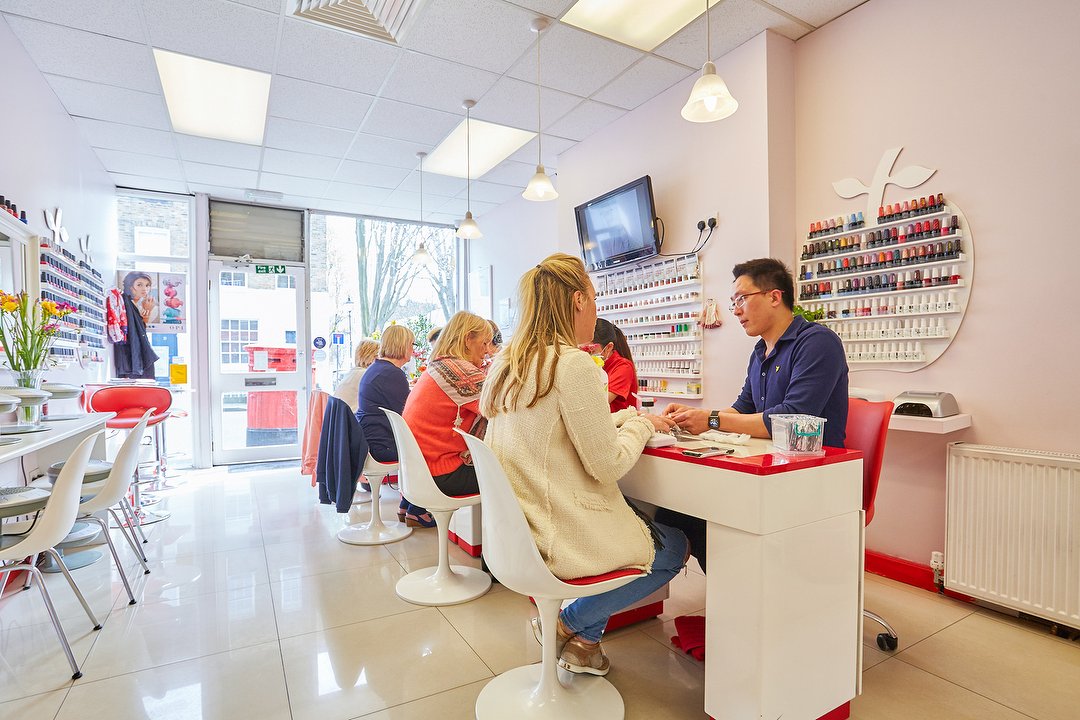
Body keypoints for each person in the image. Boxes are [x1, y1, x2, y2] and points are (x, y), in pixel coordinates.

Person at [480, 252, 685, 677]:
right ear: (577, 301)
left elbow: (559, 432)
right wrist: (644, 427)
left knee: (635, 525)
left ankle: (586, 647)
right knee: (673, 548)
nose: (597, 310)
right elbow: (608, 465)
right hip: (555, 534)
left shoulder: (510, 365)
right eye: (594, 298)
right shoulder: (572, 363)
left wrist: (632, 417)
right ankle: (566, 624)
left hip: (515, 533)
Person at [660, 257, 849, 571]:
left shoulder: (817, 343)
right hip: (771, 467)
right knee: (677, 508)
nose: (735, 310)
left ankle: (745, 593)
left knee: (708, 510)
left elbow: (791, 419)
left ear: (774, 296)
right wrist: (696, 417)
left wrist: (711, 419)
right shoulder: (760, 352)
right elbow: (742, 408)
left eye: (741, 299)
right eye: (733, 302)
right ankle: (734, 592)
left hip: (811, 476)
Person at [401, 311, 493, 527]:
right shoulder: (461, 372)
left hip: (420, 472)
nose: (488, 351)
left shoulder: (440, 366)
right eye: (485, 343)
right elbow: (502, 408)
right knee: (515, 477)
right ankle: (502, 556)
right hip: (442, 474)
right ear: (468, 339)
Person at [356, 325, 413, 466]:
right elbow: (409, 415)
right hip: (382, 446)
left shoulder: (377, 368)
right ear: (403, 345)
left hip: (370, 441)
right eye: (412, 344)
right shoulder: (392, 374)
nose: (413, 350)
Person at [592, 318, 638, 412]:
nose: (587, 355)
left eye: (591, 351)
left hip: (620, 424)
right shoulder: (599, 365)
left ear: (608, 347)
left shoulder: (623, 367)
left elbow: (600, 402)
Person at [333, 339, 379, 413]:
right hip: (352, 420)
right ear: (374, 357)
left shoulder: (352, 373)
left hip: (341, 420)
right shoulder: (366, 375)